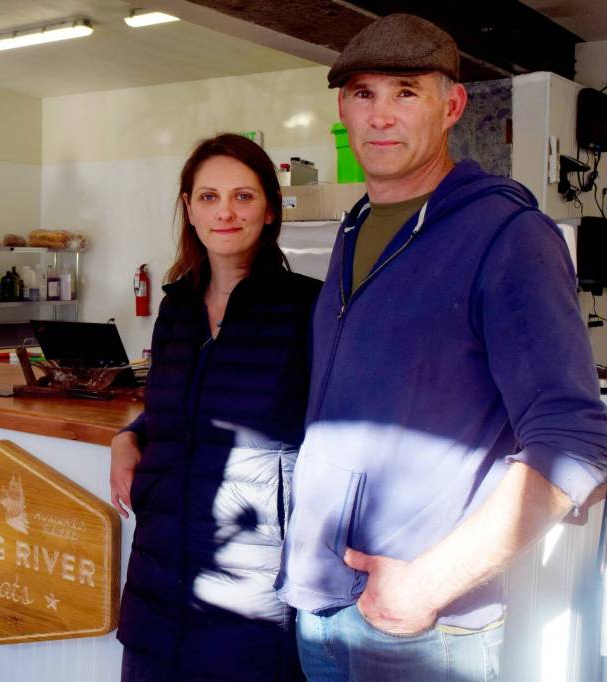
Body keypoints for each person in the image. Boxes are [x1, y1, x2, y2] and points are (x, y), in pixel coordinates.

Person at [275, 13, 607, 681]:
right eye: (363, 95)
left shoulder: (510, 236)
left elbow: (575, 439)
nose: (380, 116)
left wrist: (426, 586)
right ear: (342, 108)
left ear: (451, 104)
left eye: (405, 92)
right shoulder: (355, 229)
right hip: (324, 604)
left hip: (424, 631)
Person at [110, 133, 321, 681]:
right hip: (158, 584)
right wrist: (127, 435)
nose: (225, 212)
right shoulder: (177, 307)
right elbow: (174, 406)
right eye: (208, 197)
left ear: (270, 209)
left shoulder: (308, 307)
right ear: (188, 207)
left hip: (254, 596)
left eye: (243, 197)